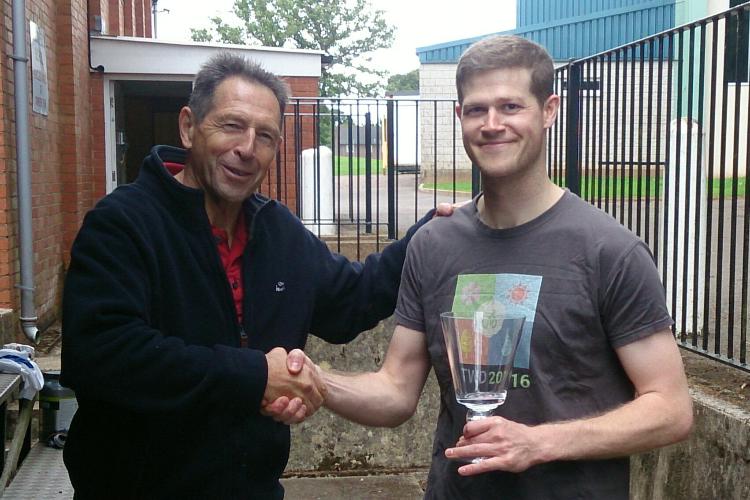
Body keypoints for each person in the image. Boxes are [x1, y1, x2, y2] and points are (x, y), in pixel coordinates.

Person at [268, 35, 694, 499]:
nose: (492, 124)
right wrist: (314, 379)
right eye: (476, 110)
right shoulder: (433, 244)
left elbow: (670, 409)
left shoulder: (610, 250)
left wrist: (538, 443)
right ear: (459, 116)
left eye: (510, 106)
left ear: (548, 110)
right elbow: (395, 391)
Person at [60, 52, 449, 499]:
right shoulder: (123, 224)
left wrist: (429, 235)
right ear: (188, 127)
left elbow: (352, 299)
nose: (247, 148)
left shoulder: (278, 231)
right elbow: (103, 356)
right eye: (232, 125)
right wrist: (257, 376)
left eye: (265, 135)